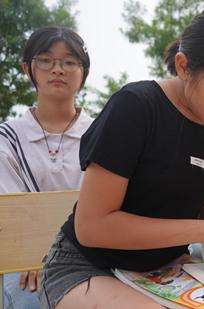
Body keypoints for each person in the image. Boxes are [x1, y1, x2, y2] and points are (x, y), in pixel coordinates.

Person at [38, 3, 204, 308]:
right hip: (87, 266)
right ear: (183, 66)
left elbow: (196, 198)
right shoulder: (136, 107)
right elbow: (92, 226)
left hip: (164, 269)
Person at [0, 26, 93, 309]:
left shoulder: (102, 133)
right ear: (28, 68)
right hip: (26, 259)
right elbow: (13, 212)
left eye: (69, 61)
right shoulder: (8, 137)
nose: (57, 69)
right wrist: (33, 254)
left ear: (83, 71)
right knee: (30, 300)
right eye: (46, 60)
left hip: (90, 254)